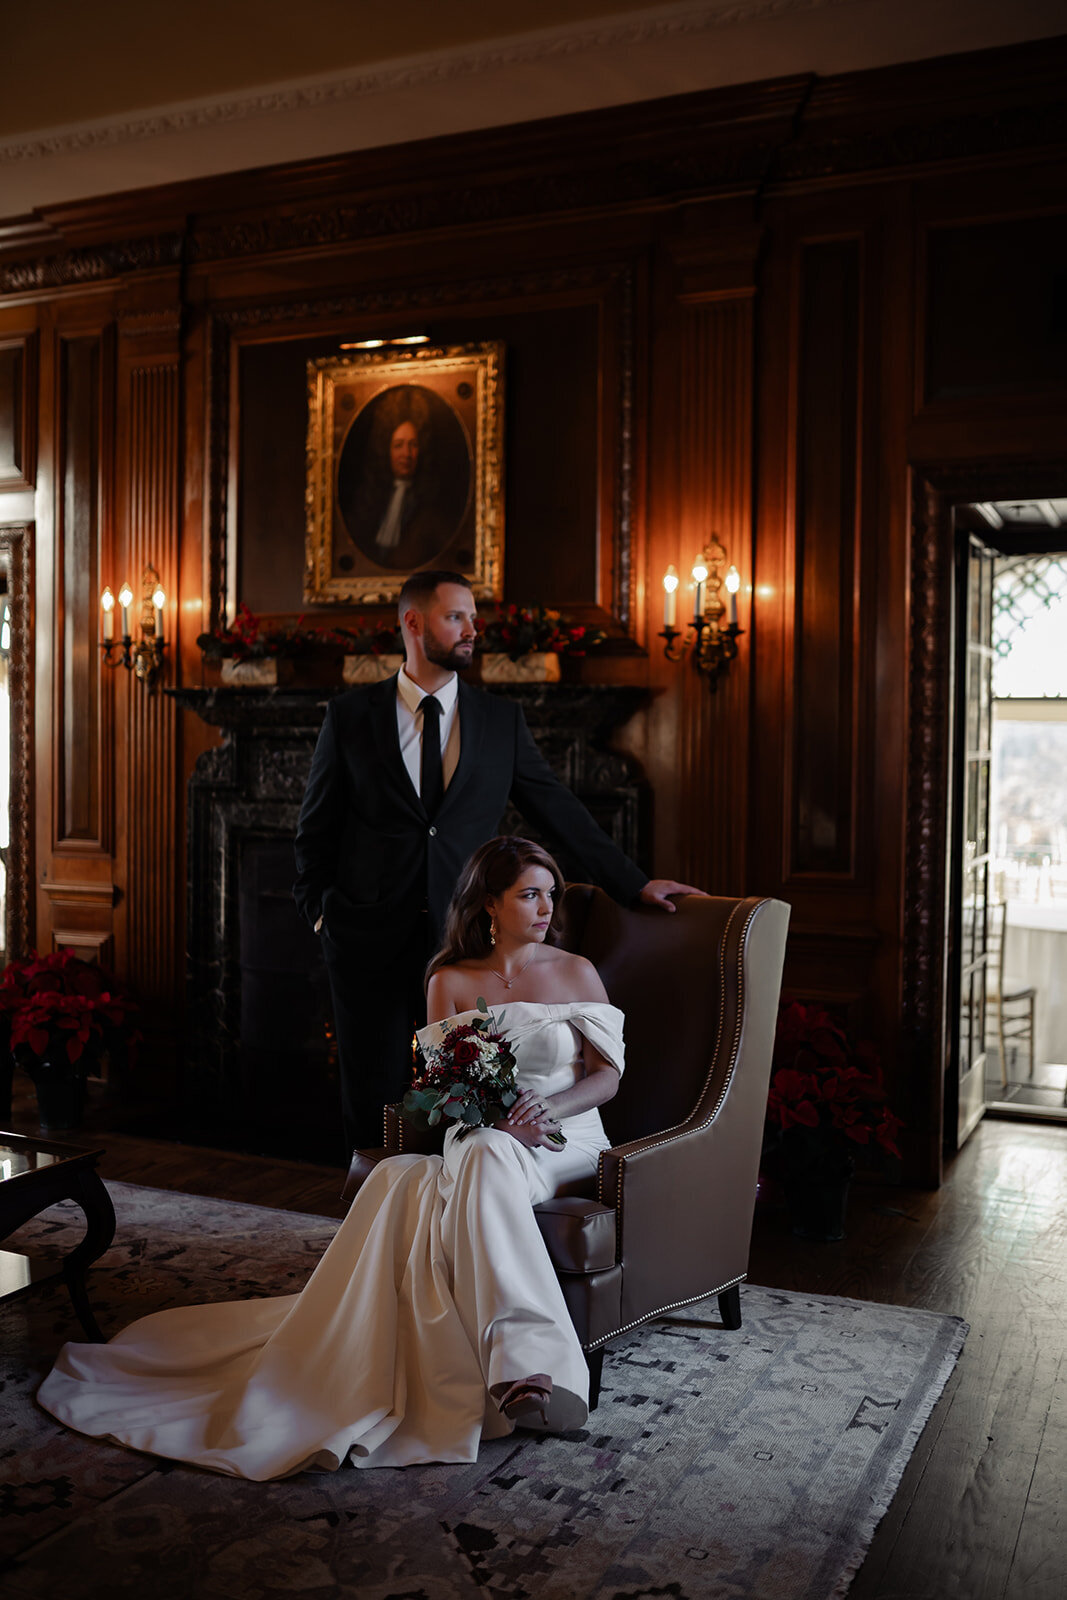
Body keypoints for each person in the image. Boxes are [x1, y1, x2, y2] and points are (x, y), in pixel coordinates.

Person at [38, 838, 626, 1478]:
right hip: (488, 1134)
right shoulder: (450, 980)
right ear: (490, 903)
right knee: (475, 1153)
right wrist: (495, 1116)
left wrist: (548, 1111)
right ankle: (528, 1366)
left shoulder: (577, 971)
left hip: (567, 1136)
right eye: (528, 894)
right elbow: (440, 1088)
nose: (545, 907)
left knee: (468, 1162)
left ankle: (523, 1359)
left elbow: (608, 1077)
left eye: (549, 893)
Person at [294, 569, 698, 1154]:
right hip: (366, 940)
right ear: (413, 623)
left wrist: (633, 885)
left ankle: (453, 1227)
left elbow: (560, 811)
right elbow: (314, 832)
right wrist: (323, 916)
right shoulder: (350, 716)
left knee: (465, 1095)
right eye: (456, 616)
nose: (472, 630)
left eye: (472, 618)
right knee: (376, 1099)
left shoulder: (500, 721)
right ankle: (378, 1231)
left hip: (466, 947)